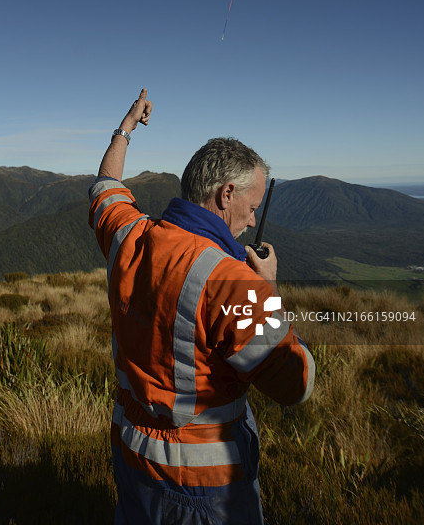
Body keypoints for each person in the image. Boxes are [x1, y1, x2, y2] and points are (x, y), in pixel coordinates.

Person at [89, 89, 315, 525]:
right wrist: (268, 292)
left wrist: (126, 127)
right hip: (203, 488)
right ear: (226, 193)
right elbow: (295, 382)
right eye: (251, 208)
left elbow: (106, 188)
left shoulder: (130, 237)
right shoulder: (231, 282)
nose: (252, 221)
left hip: (130, 460)